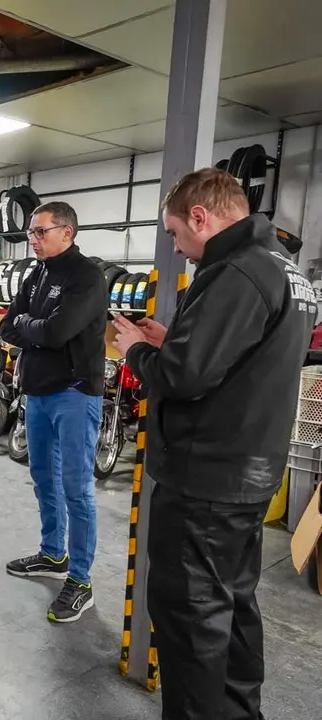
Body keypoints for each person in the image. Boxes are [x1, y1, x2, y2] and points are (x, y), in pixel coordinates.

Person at [112, 167, 315, 720]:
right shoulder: (283, 267)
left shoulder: (236, 270)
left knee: (190, 621)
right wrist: (175, 340)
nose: (178, 249)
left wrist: (136, 351)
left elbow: (184, 377)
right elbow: (243, 359)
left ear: (200, 217)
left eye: (176, 233)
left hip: (204, 481)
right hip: (248, 476)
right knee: (233, 607)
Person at [0, 201, 108, 623]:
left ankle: (80, 581)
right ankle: (53, 554)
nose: (33, 239)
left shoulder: (87, 277)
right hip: (38, 392)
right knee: (43, 477)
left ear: (67, 232)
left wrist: (32, 328)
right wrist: (36, 329)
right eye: (31, 232)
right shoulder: (37, 273)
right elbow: (8, 325)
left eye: (40, 231)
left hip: (74, 394)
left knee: (76, 488)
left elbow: (58, 331)